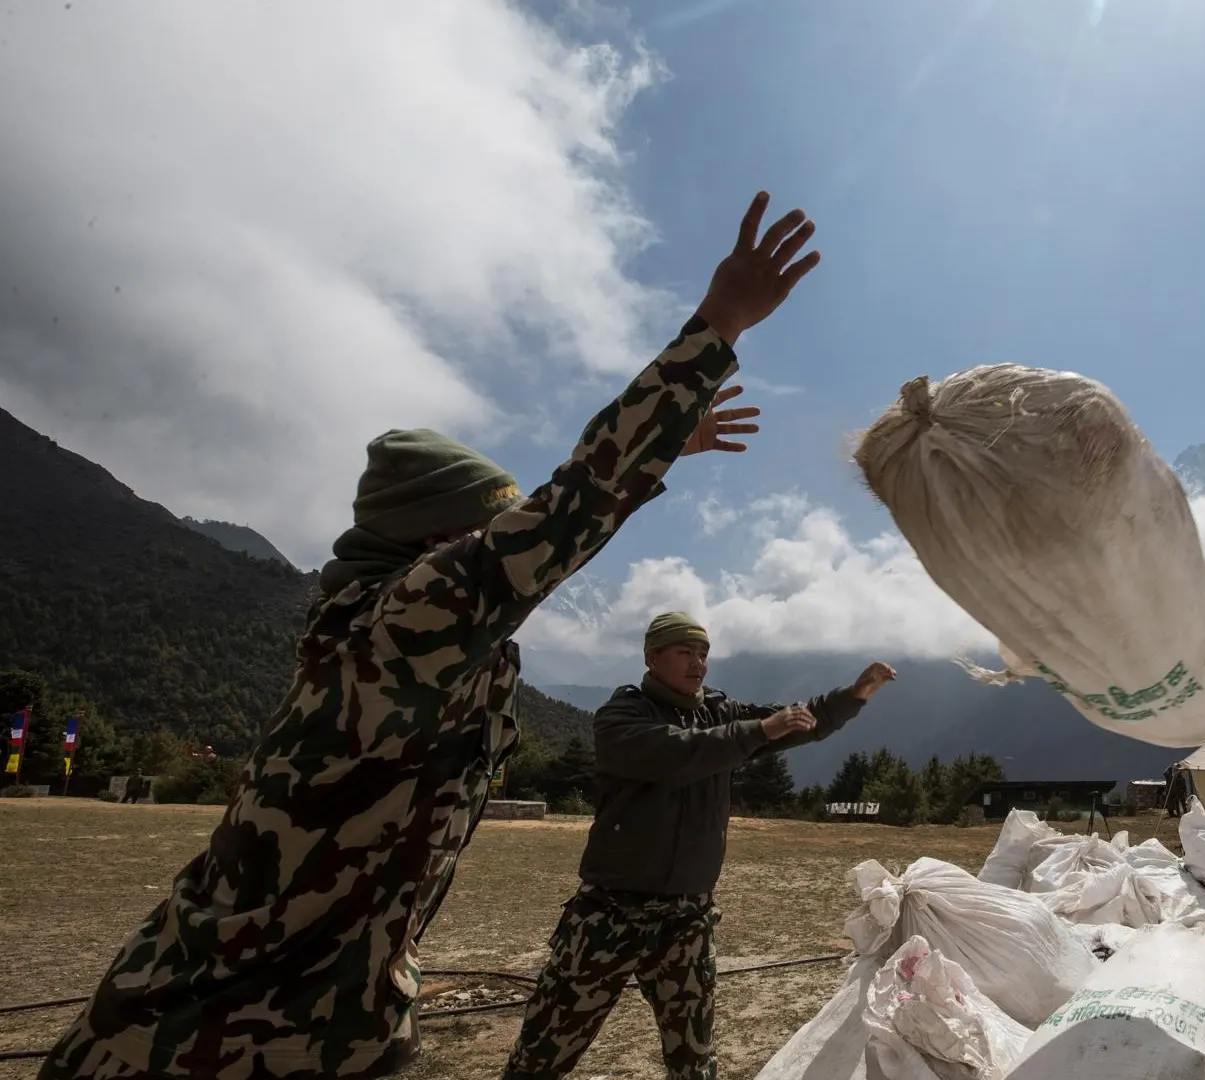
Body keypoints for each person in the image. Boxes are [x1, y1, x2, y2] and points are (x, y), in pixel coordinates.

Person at [39, 192, 821, 1080]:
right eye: (477, 534)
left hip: (298, 1028)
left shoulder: (398, 631)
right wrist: (715, 329)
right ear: (431, 541)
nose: (491, 550)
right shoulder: (401, 623)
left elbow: (557, 518)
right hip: (211, 1043)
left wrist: (654, 454)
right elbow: (562, 517)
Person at [500, 612, 896, 1080]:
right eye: (685, 653)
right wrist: (758, 732)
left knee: (694, 1061)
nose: (698, 664)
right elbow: (678, 753)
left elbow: (796, 720)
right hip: (610, 914)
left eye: (703, 653)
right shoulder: (623, 716)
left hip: (688, 917)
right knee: (543, 1051)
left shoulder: (720, 713)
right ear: (652, 658)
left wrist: (852, 697)